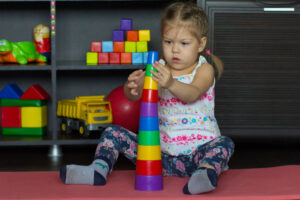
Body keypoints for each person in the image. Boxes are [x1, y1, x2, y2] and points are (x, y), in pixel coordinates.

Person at [59, 2, 234, 195]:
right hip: (157, 157)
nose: (175, 50)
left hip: (197, 155)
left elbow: (193, 93)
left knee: (225, 143)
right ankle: (98, 169)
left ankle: (205, 174)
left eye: (184, 43)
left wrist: (171, 84)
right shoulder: (157, 68)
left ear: (200, 44)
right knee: (111, 132)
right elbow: (132, 96)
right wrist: (131, 87)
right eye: (169, 42)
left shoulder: (204, 69)